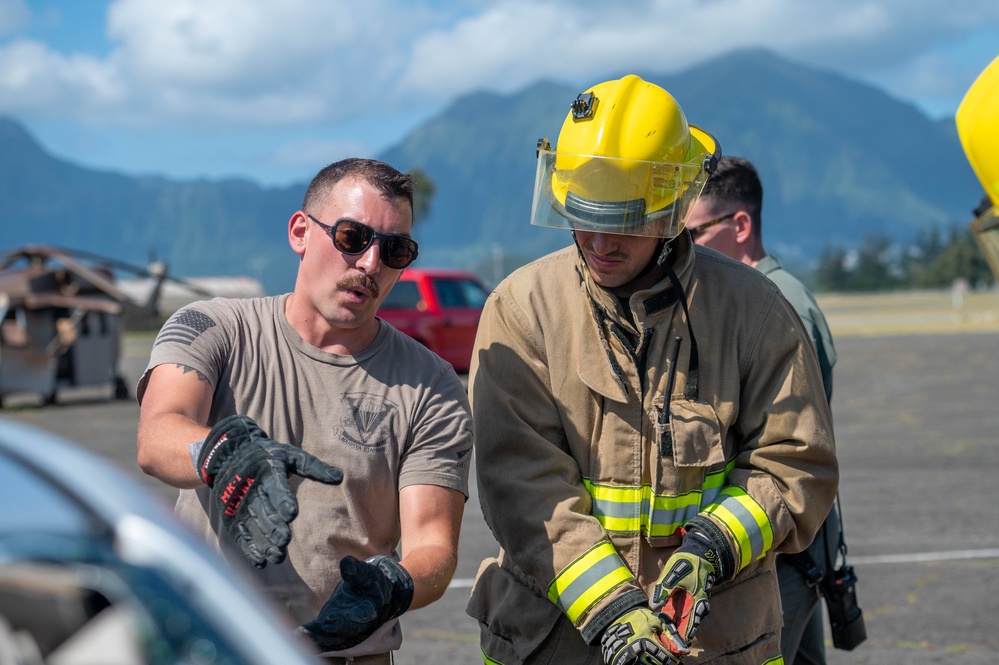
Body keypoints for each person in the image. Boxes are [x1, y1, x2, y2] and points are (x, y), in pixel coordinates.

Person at [465, 74, 838, 665]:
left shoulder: (755, 311)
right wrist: (612, 609)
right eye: (583, 216)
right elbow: (521, 484)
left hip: (716, 643)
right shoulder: (522, 309)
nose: (599, 241)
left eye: (624, 220)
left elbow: (796, 462)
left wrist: (716, 545)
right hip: (556, 643)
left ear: (675, 204)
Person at [135, 157, 473, 664]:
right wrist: (222, 456)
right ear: (300, 232)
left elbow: (434, 546)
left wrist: (393, 586)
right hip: (211, 645)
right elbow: (157, 434)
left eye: (395, 250)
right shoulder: (214, 328)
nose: (370, 264)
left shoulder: (433, 386)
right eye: (352, 237)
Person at [685, 156, 840, 665]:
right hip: (780, 547)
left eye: (694, 233)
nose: (681, 249)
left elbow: (793, 443)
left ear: (741, 225)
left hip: (783, 552)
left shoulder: (777, 304)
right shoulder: (744, 302)